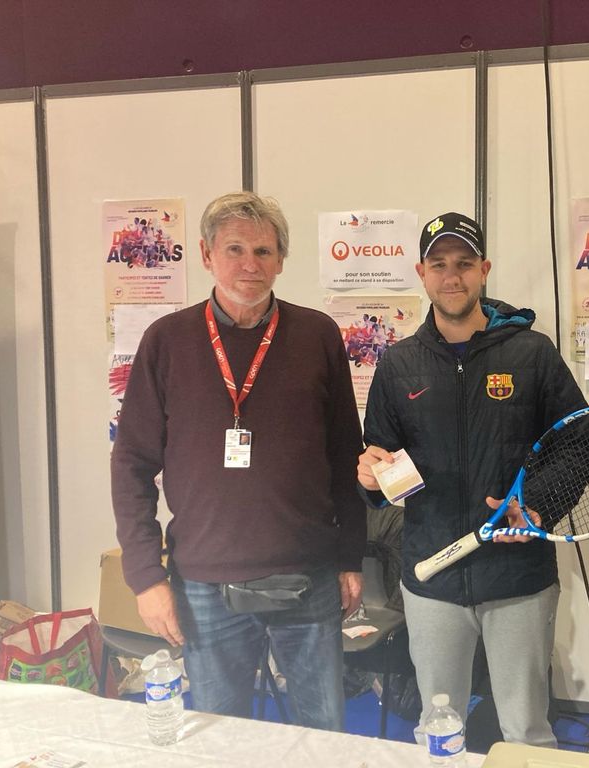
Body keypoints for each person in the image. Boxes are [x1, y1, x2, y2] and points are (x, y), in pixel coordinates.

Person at [111, 191, 365, 730]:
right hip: (204, 582)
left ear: (281, 259)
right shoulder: (167, 341)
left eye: (264, 251)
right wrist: (145, 577)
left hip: (308, 574)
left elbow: (346, 453)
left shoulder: (317, 334)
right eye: (235, 249)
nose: (251, 265)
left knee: (324, 738)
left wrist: (350, 557)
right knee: (219, 740)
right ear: (207, 255)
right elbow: (131, 463)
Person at [357, 212, 587, 747]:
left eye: (463, 263)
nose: (452, 276)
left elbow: (579, 444)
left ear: (484, 269)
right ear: (421, 273)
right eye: (439, 264)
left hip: (518, 577)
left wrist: (536, 505)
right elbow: (381, 464)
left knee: (526, 730)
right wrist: (370, 478)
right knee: (439, 728)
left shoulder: (532, 353)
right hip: (433, 576)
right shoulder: (397, 364)